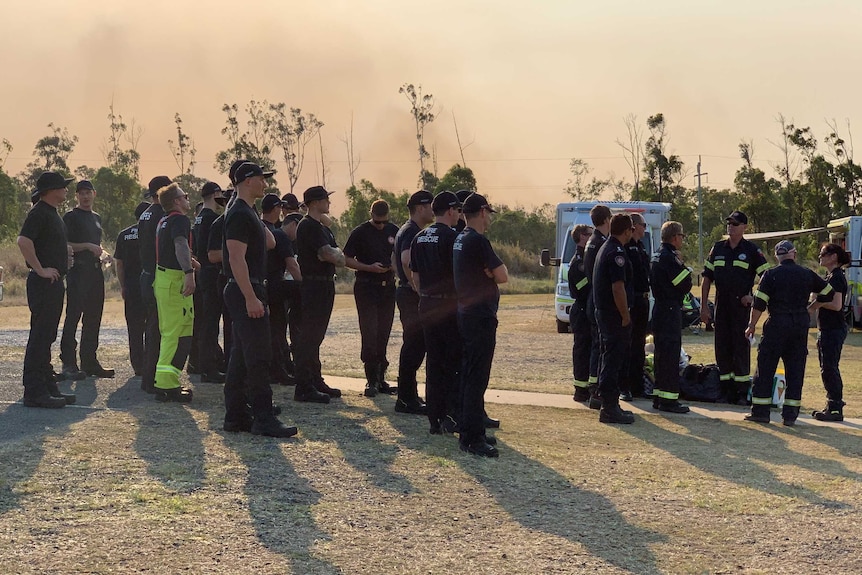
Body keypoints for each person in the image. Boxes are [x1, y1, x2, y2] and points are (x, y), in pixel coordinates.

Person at [221, 162, 298, 437]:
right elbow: (235, 258)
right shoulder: (240, 213)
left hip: (248, 288)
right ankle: (263, 418)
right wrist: (251, 298)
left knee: (241, 356)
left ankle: (236, 415)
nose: (265, 184)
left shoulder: (245, 211)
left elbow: (270, 243)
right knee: (258, 356)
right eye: (260, 179)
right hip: (246, 289)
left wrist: (257, 216)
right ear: (247, 181)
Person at [745, 240, 831, 425]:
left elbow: (759, 304)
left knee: (766, 368)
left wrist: (751, 325)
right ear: (794, 254)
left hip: (776, 324)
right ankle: (790, 415)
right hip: (799, 325)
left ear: (777, 256)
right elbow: (829, 292)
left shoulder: (770, 275)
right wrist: (811, 307)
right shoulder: (807, 274)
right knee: (795, 370)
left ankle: (760, 412)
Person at [453, 193, 507, 457]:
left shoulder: (461, 238)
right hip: (480, 316)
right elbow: (503, 275)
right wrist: (492, 273)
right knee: (477, 377)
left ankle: (471, 429)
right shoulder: (477, 240)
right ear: (483, 212)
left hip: (466, 313)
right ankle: (472, 438)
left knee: (469, 375)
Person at [17, 171, 77, 408]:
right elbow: (23, 241)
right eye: (62, 186)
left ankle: (47, 385)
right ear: (51, 190)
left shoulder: (52, 213)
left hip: (54, 283)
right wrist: (40, 269)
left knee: (47, 336)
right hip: (43, 283)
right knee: (40, 337)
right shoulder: (39, 212)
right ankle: (34, 391)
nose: (65, 189)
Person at [701, 210, 769, 403]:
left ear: (744, 228)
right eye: (729, 223)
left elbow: (767, 278)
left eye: (735, 223)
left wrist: (753, 297)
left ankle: (741, 392)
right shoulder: (717, 248)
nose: (731, 226)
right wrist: (704, 306)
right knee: (722, 347)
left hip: (741, 307)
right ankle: (725, 390)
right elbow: (707, 278)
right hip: (722, 305)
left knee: (740, 348)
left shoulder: (751, 251)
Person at [411, 191, 462, 434]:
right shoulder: (453, 238)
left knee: (433, 361)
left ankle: (434, 417)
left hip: (427, 305)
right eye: (458, 210)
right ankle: (451, 414)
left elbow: (416, 276)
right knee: (452, 361)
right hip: (448, 306)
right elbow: (459, 275)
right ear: (451, 211)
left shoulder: (419, 237)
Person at [293, 185, 345, 404]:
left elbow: (337, 255)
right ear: (314, 203)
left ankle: (315, 379)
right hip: (313, 286)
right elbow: (329, 254)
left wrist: (335, 255)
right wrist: (334, 255)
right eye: (325, 199)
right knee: (310, 337)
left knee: (317, 336)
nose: (329, 203)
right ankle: (304, 386)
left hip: (325, 285)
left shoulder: (323, 227)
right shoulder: (308, 226)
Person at [344, 199, 400, 397]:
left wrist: (394, 266)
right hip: (367, 287)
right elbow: (347, 259)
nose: (381, 226)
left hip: (388, 288)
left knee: (383, 333)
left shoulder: (395, 230)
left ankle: (381, 378)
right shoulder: (360, 232)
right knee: (370, 332)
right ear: (371, 215)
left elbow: (401, 255)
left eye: (384, 222)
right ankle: (370, 381)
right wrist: (369, 267)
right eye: (378, 222)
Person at [60, 179, 114, 379]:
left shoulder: (96, 217)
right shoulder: (71, 217)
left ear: (94, 194)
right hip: (78, 272)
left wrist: (103, 253)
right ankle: (68, 362)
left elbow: (96, 244)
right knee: (73, 317)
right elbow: (65, 244)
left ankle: (89, 361)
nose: (85, 196)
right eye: (81, 193)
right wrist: (87, 246)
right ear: (76, 196)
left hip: (95, 272)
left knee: (93, 318)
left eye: (88, 192)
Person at [152, 183, 196, 402]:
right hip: (173, 280)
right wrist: (188, 271)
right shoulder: (179, 219)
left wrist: (190, 261)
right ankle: (165, 385)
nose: (187, 199)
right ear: (177, 201)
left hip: (166, 278)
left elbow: (174, 248)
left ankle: (170, 380)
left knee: (182, 332)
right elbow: (179, 243)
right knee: (173, 333)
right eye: (184, 196)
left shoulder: (164, 220)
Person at [394, 190, 435, 414]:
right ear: (420, 208)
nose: (432, 210)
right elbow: (406, 261)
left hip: (407, 292)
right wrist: (419, 291)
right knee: (414, 345)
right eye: (430, 205)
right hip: (411, 295)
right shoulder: (411, 231)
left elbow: (394, 260)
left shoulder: (408, 229)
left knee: (415, 345)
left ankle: (409, 396)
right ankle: (406, 398)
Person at [593, 213, 635, 425]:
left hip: (605, 314)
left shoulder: (605, 247)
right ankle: (609, 408)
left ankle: (609, 404)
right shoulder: (616, 252)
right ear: (627, 230)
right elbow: (618, 288)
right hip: (614, 316)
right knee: (613, 359)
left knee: (608, 357)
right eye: (631, 230)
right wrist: (625, 315)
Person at [649, 221, 693, 414]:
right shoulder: (669, 257)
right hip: (669, 310)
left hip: (659, 308)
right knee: (670, 355)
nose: (682, 239)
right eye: (681, 236)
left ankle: (659, 396)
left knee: (660, 355)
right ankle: (669, 400)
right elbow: (684, 284)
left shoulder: (657, 255)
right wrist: (684, 265)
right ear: (675, 237)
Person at [808, 243, 851, 422]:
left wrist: (818, 303)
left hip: (833, 329)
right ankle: (831, 405)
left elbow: (837, 305)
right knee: (826, 368)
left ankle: (835, 408)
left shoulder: (837, 277)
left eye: (823, 254)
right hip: (826, 328)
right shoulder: (830, 276)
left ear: (833, 257)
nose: (820, 256)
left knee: (830, 368)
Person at [138, 175, 173, 394]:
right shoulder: (161, 214)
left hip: (146, 274)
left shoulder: (144, 214)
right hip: (158, 276)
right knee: (160, 329)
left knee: (152, 328)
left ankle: (148, 375)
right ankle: (154, 378)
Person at [191, 181, 225, 383]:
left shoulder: (198, 219)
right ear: (215, 194)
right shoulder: (213, 218)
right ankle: (208, 367)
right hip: (211, 272)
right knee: (210, 323)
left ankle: (202, 363)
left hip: (201, 271)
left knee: (204, 322)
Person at [261, 193, 296, 385]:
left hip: (257, 284)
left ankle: (270, 369)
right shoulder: (278, 234)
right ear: (276, 209)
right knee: (277, 330)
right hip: (275, 286)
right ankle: (279, 370)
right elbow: (291, 264)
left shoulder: (256, 228)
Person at [113, 202, 148, 375]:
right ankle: (150, 362)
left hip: (132, 286)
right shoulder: (152, 232)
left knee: (134, 328)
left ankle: (138, 365)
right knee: (152, 326)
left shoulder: (124, 234)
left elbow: (119, 263)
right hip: (150, 285)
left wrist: (123, 286)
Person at [583, 204, 612, 409]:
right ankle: (596, 391)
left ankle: (595, 388)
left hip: (593, 298)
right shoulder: (600, 242)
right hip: (599, 299)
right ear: (606, 220)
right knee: (600, 347)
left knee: (597, 346)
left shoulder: (593, 241)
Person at [622, 213, 651, 400]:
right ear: (634, 226)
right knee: (628, 345)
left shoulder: (640, 246)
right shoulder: (626, 247)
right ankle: (625, 387)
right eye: (643, 224)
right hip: (632, 300)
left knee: (639, 344)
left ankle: (638, 386)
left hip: (643, 300)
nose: (645, 228)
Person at [567, 224, 593, 402]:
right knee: (582, 351)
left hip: (588, 309)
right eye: (589, 235)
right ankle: (580, 390)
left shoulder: (587, 258)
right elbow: (580, 288)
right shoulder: (579, 261)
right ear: (582, 237)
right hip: (582, 309)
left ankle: (588, 387)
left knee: (590, 349)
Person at [281, 211, 303, 378]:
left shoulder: (294, 241)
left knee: (295, 328)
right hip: (283, 288)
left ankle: (295, 364)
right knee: (280, 328)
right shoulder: (281, 236)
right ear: (294, 224)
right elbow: (292, 266)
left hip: (292, 288)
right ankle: (285, 364)